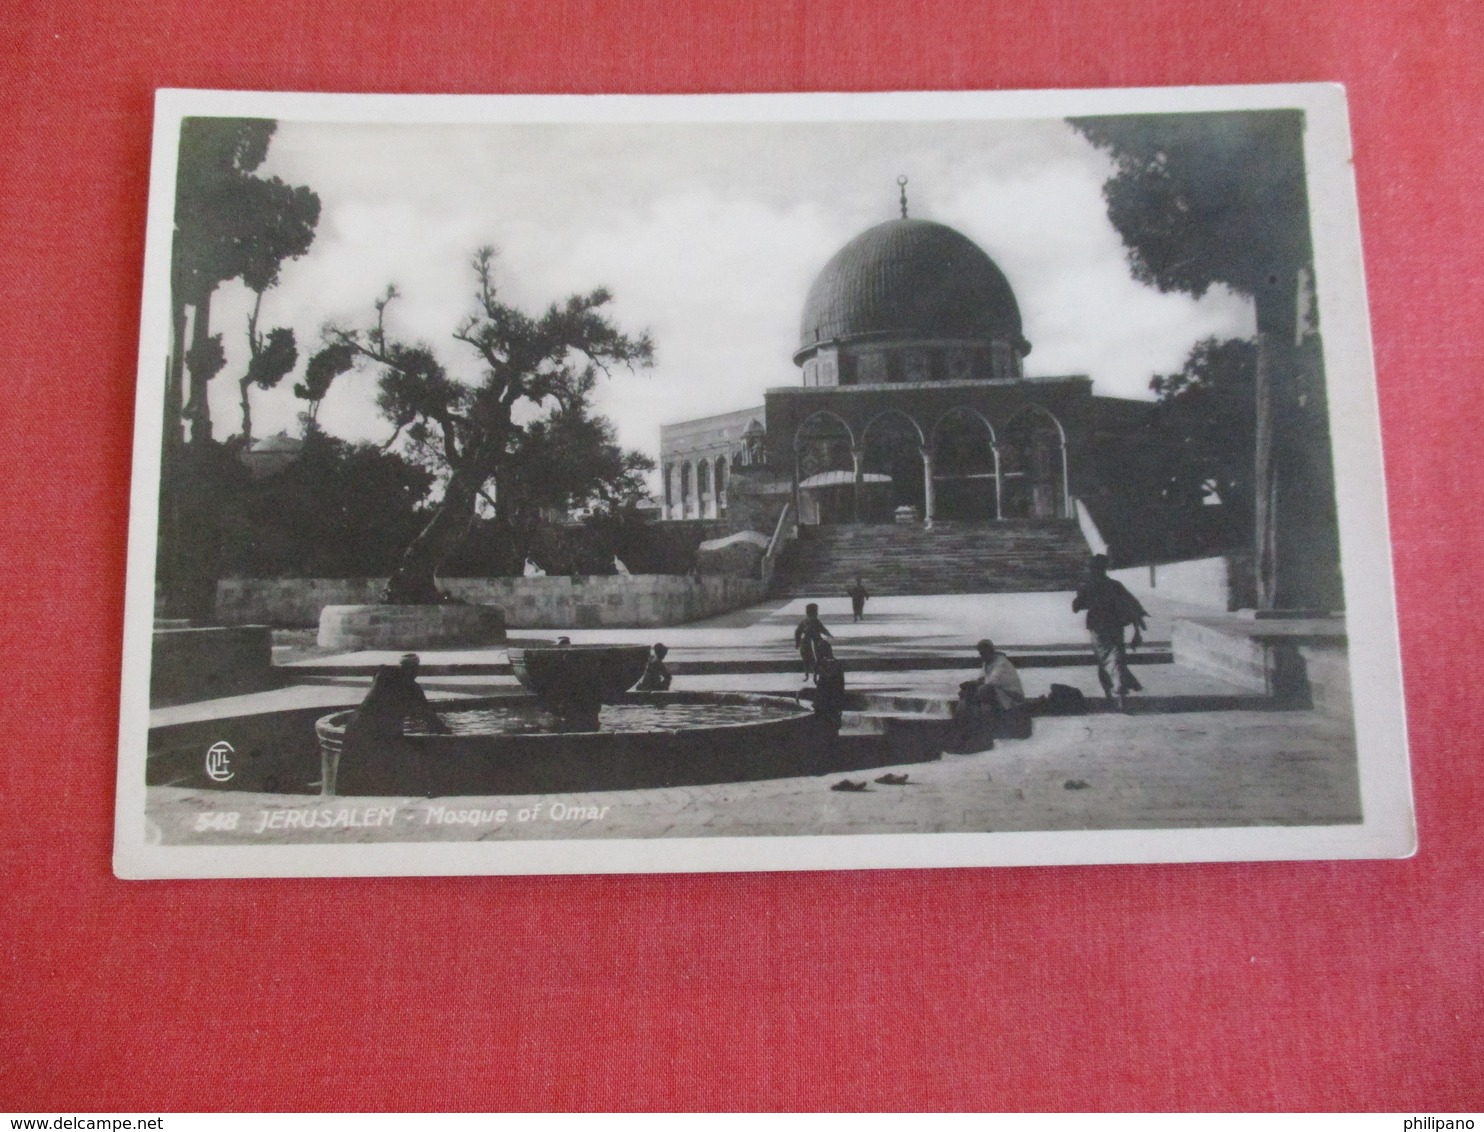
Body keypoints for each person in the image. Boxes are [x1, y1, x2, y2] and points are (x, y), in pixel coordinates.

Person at [336, 653, 448, 795]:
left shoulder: (382, 676)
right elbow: (429, 717)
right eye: (415, 669)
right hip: (378, 734)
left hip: (355, 724)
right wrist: (447, 733)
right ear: (415, 669)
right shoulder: (411, 687)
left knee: (356, 776)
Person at [1072, 554, 1149, 706]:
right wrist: (1137, 628)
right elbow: (1132, 605)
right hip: (1116, 626)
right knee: (1117, 657)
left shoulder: (1087, 585)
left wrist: (1081, 596)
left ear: (1092, 569)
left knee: (1104, 659)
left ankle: (1112, 691)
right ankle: (1118, 691)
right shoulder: (1115, 585)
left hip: (1098, 627)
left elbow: (1076, 607)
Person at [950, 638, 1027, 750]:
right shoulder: (987, 663)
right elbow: (981, 678)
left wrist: (974, 684)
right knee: (967, 691)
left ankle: (978, 722)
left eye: (983, 652)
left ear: (990, 651)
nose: (981, 655)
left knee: (984, 690)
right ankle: (964, 723)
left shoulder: (1001, 663)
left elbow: (991, 681)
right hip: (1000, 694)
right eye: (980, 653)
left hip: (1012, 698)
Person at [794, 602, 833, 681]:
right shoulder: (815, 620)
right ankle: (821, 671)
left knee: (806, 659)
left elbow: (798, 632)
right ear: (815, 612)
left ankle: (807, 674)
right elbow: (822, 629)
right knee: (820, 656)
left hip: (807, 642)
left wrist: (797, 642)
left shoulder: (804, 621)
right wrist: (829, 634)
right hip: (816, 641)